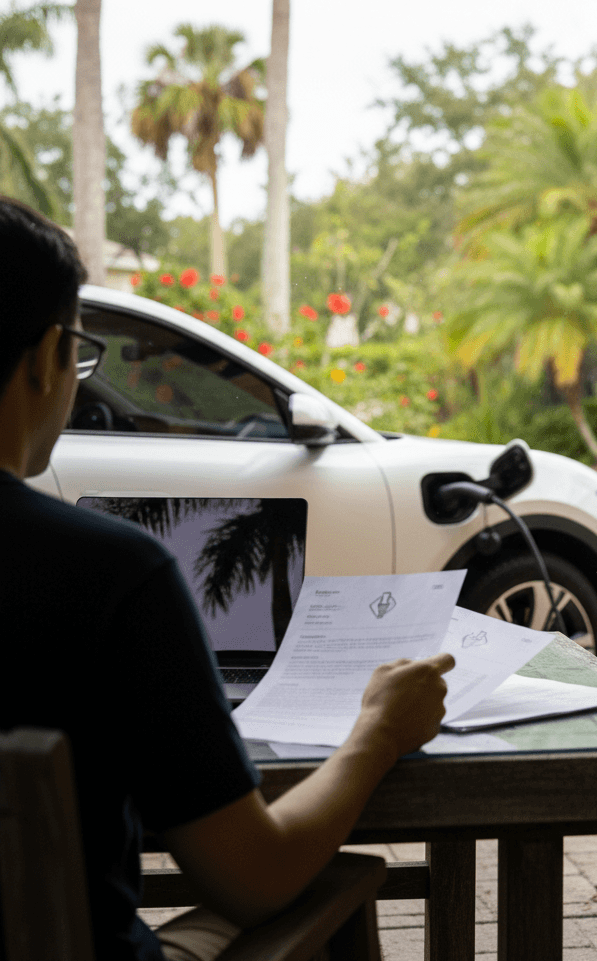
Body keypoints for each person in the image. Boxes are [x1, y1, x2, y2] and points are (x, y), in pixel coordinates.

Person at [0, 195, 455, 961]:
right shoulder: (112, 577)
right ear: (48, 355)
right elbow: (253, 876)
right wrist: (378, 730)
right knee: (333, 885)